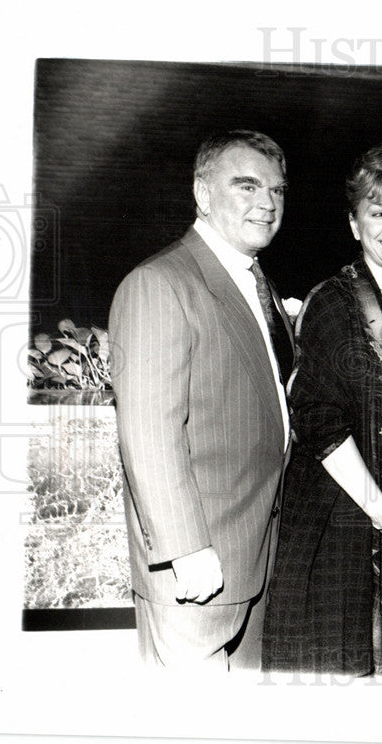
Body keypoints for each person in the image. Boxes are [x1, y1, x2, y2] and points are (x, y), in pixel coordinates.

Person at [262, 144, 382, 677]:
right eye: (378, 211)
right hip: (343, 524)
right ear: (353, 224)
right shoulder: (331, 303)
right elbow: (318, 420)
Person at [109, 129, 293, 670]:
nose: (267, 203)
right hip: (198, 567)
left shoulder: (252, 282)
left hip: (252, 555)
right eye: (247, 186)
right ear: (203, 194)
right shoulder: (160, 283)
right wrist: (186, 549)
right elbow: (148, 434)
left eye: (278, 191)